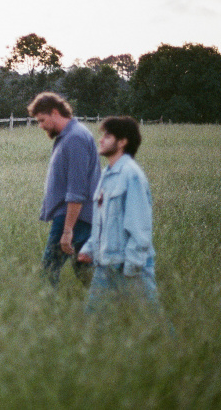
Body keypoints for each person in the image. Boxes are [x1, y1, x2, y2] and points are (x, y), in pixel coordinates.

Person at [77, 116, 160, 313]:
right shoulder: (107, 174)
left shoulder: (131, 175)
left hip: (129, 266)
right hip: (105, 264)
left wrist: (132, 268)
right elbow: (102, 223)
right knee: (93, 322)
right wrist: (89, 249)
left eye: (107, 135)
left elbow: (140, 227)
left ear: (122, 142)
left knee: (153, 324)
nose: (101, 139)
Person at [27, 92, 101, 289]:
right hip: (78, 217)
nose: (40, 126)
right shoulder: (68, 136)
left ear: (54, 112)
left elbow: (77, 190)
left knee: (48, 271)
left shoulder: (75, 138)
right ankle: (108, 306)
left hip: (73, 218)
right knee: (84, 269)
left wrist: (67, 230)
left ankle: (46, 313)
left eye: (42, 120)